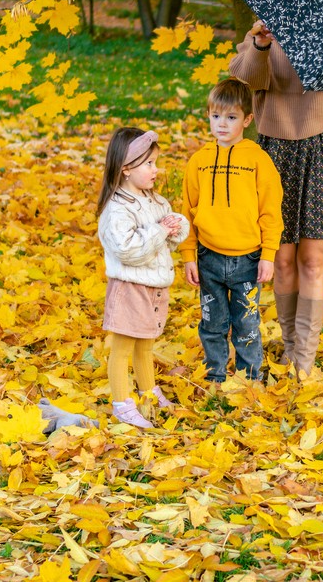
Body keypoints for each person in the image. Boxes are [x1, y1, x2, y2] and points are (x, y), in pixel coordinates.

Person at [230, 22, 323, 378]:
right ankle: (290, 348)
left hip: (320, 150)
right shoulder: (262, 34)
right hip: (274, 152)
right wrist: (259, 43)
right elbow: (249, 80)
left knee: (314, 261)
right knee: (282, 260)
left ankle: (305, 359)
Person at [180, 78, 283, 384]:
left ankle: (249, 380)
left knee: (247, 325)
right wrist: (188, 256)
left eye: (231, 117)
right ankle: (215, 377)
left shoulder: (257, 161)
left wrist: (269, 255)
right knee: (212, 323)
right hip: (208, 258)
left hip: (248, 260)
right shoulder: (198, 162)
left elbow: (270, 212)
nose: (222, 124)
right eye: (215, 116)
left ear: (247, 120)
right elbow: (187, 212)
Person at [97, 128, 189, 429]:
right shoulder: (116, 209)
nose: (156, 170)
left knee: (146, 344)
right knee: (123, 346)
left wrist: (177, 227)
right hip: (130, 287)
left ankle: (148, 392)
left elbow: (168, 234)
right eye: (148, 164)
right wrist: (161, 230)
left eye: (155, 163)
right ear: (125, 169)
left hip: (155, 287)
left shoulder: (155, 201)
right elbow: (129, 250)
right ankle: (122, 404)